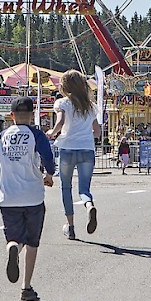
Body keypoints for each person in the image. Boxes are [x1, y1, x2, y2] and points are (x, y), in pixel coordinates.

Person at [0, 97, 55, 301]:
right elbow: (47, 157)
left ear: (11, 116)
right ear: (32, 115)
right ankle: (26, 287)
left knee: (13, 237)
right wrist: (49, 174)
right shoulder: (36, 135)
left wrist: (6, 169)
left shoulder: (2, 137)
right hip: (33, 195)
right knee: (32, 242)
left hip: (8, 197)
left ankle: (12, 248)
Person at [47, 70, 102, 240]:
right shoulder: (91, 106)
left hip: (68, 148)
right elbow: (97, 132)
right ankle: (89, 205)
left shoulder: (62, 103)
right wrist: (85, 136)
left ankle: (70, 227)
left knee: (66, 187)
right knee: (84, 188)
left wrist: (52, 132)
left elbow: (60, 121)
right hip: (87, 149)